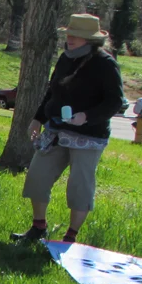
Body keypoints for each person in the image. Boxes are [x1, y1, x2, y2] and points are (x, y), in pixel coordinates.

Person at [11, 13, 127, 244]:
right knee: (37, 177)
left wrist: (86, 116)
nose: (70, 38)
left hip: (89, 136)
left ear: (91, 40)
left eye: (77, 36)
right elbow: (52, 92)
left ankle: (70, 238)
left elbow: (115, 101)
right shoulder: (66, 58)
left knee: (79, 187)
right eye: (69, 34)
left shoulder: (105, 64)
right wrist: (38, 118)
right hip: (56, 131)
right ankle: (38, 228)